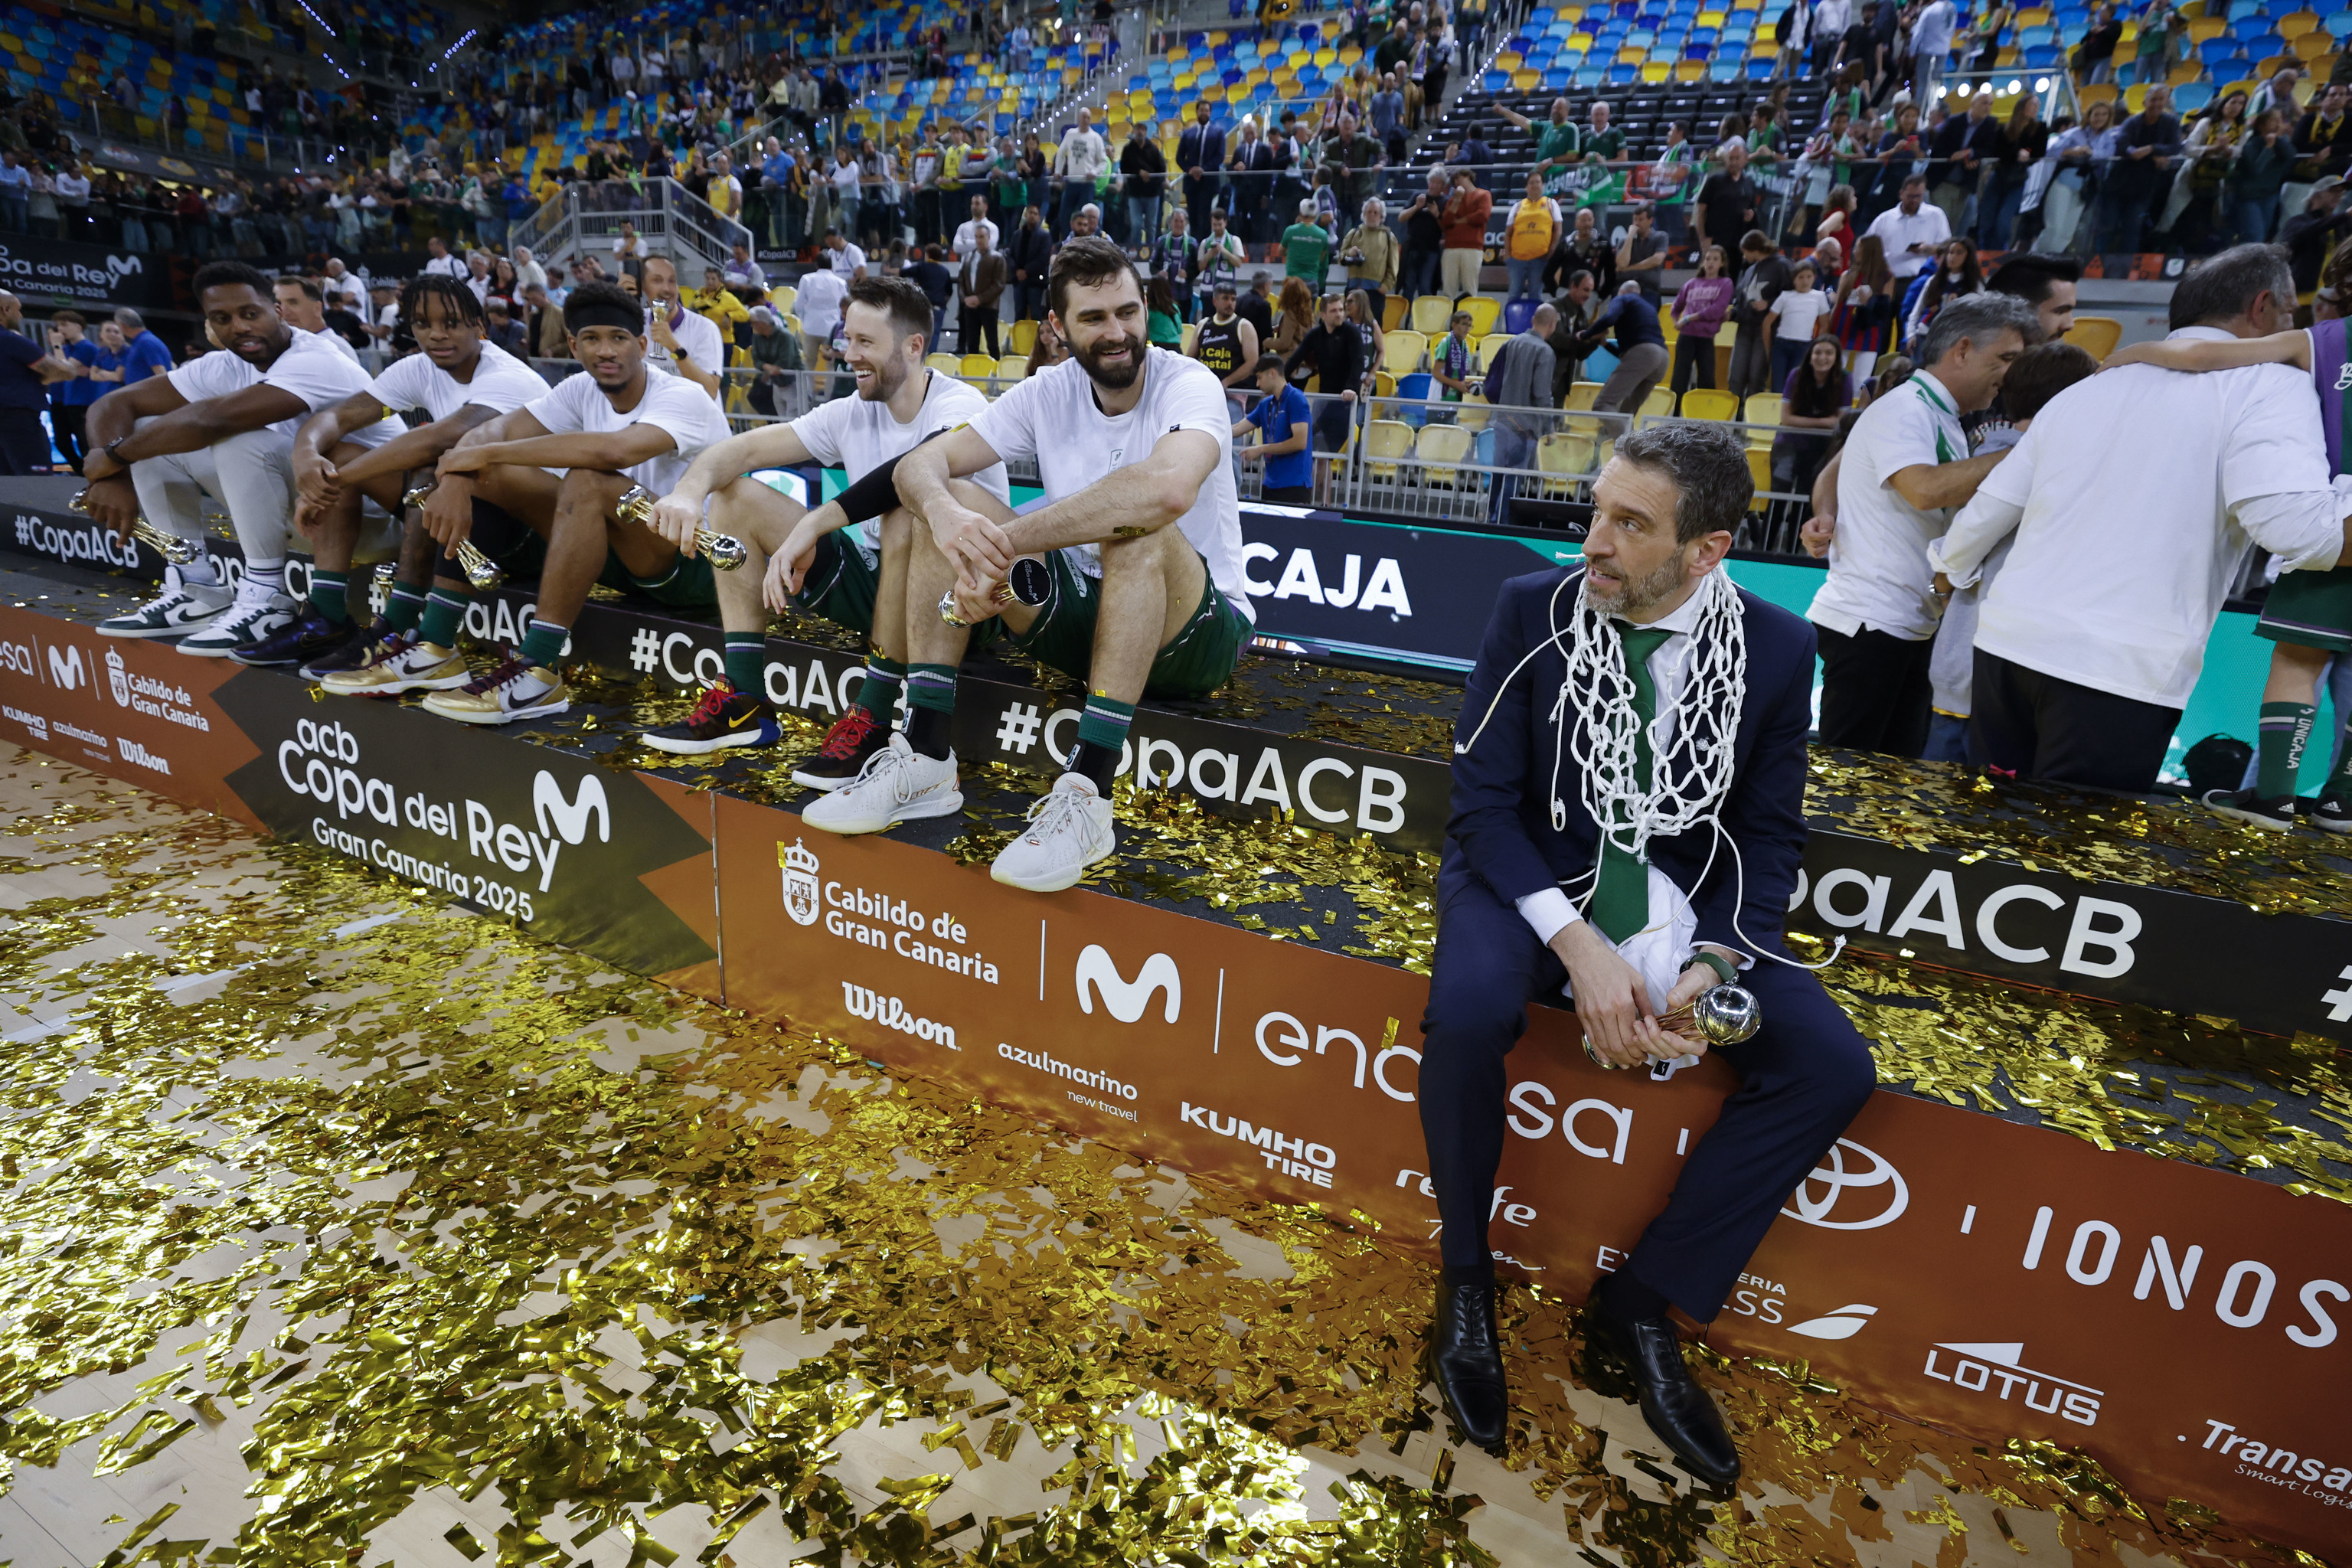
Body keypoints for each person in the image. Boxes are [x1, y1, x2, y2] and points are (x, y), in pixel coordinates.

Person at [1419, 419, 1875, 1485]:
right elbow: (1481, 808)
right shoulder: (1528, 607)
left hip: (1685, 905)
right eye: (1596, 512)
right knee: (1473, 1009)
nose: (1596, 542)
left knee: (1831, 1068)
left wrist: (1713, 966)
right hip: (1530, 877)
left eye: (1631, 525)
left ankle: (1640, 1304)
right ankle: (1465, 1279)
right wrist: (1579, 949)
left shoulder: (1777, 646)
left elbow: (1768, 839)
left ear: (1706, 551)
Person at [807, 237, 1257, 893]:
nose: (1118, 332)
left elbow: (1167, 491)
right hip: (1094, 618)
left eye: (1128, 312)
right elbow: (916, 468)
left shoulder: (1187, 382)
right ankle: (927, 754)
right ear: (1057, 327)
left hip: (1196, 633)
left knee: (1138, 527)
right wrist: (952, 518)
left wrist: (1009, 541)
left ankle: (1087, 794)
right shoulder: (1049, 390)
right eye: (1094, 319)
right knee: (936, 504)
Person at [1962, 247, 2352, 801]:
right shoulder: (2272, 383)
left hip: (2006, 645)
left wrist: (1946, 571)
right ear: (2264, 308)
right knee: (2069, 864)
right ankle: (2284, 800)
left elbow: (1993, 503)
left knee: (1983, 837)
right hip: (2117, 665)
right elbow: (2297, 531)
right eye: (2291, 312)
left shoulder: (2093, 382)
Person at [642, 275, 1014, 765]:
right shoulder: (851, 410)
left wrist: (816, 522)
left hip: (964, 597)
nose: (847, 353)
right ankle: (745, 699)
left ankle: (877, 715)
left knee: (909, 509)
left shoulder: (959, 404)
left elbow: (908, 476)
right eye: (846, 338)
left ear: (913, 347)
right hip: (879, 583)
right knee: (734, 495)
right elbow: (743, 448)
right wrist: (689, 493)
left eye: (864, 342)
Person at [413, 280, 733, 724]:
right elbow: (495, 432)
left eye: (619, 338)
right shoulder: (578, 388)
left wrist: (476, 456)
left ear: (641, 344)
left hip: (697, 562)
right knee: (489, 474)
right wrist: (456, 476)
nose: (607, 351)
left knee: (586, 479)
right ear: (572, 344)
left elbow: (614, 452)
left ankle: (539, 669)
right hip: (631, 549)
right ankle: (433, 643)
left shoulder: (683, 394)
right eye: (592, 339)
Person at [76, 262, 402, 647]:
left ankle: (268, 597)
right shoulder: (224, 365)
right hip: (306, 511)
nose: (240, 326)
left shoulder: (317, 357)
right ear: (209, 324)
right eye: (222, 318)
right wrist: (111, 472)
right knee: (149, 433)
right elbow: (115, 404)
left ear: (277, 311)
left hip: (374, 520)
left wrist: (111, 460)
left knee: (237, 439)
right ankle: (195, 587)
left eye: (250, 314)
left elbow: (212, 420)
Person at [280, 276, 557, 681]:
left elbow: (440, 438)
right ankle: (327, 614)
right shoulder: (417, 368)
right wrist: (306, 455)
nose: (437, 335)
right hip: (463, 516)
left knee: (443, 464)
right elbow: (338, 417)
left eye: (451, 323)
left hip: (532, 533)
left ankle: (407, 627)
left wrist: (330, 485)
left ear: (479, 327)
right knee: (340, 451)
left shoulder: (510, 377)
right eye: (423, 324)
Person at [1806, 292, 2037, 756]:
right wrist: (2027, 455)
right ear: (1964, 349)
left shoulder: (1939, 416)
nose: (2011, 374)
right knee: (1848, 780)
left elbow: (1836, 467)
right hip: (1871, 622)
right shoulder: (1905, 408)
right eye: (2005, 358)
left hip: (1905, 622)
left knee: (1887, 783)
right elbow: (1924, 489)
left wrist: (1825, 510)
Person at [1918, 339, 2100, 763]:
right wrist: (1943, 580)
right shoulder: (2012, 454)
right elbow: (1969, 536)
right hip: (1985, 665)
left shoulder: (2059, 455)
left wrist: (1943, 582)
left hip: (1988, 663)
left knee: (1945, 805)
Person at [1487, 303, 1559, 522]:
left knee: (1498, 474)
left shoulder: (1511, 342)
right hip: (1524, 428)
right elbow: (1542, 394)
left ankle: (1490, 519)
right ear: (1552, 325)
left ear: (1532, 321)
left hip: (1501, 420)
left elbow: (1492, 380)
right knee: (1514, 477)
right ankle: (1503, 525)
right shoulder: (1545, 351)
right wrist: (1550, 428)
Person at [1285, 292, 1368, 456]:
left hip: (1345, 400)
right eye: (1334, 311)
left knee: (1325, 450)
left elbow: (1358, 362)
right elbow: (1295, 359)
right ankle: (1317, 483)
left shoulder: (1351, 332)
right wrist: (1280, 382)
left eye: (1341, 310)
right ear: (1323, 315)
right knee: (1318, 453)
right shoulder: (1315, 335)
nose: (1339, 314)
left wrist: (1351, 388)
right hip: (1324, 397)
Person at [1579, 282, 1670, 414]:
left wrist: (1585, 335)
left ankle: (1623, 435)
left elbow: (1609, 318)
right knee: (1627, 412)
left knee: (1603, 404)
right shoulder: (1648, 308)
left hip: (1645, 354)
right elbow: (1630, 356)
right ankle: (1628, 435)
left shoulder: (1623, 299)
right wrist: (1605, 344)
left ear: (1621, 292)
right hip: (1663, 358)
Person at [1234, 353, 1315, 502]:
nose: (1257, 384)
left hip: (1294, 485)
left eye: (1259, 378)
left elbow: (1299, 442)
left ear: (1272, 373)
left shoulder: (1296, 399)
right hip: (1270, 485)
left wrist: (1262, 449)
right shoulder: (1266, 404)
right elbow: (1238, 428)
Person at [639, 255, 724, 398]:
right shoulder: (634, 323)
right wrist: (618, 297)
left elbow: (710, 391)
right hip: (653, 417)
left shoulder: (705, 328)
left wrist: (674, 347)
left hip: (694, 419)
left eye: (672, 281)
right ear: (642, 286)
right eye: (657, 281)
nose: (667, 289)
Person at [1727, 231, 1793, 400]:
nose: (1744, 256)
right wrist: (1733, 313)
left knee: (1757, 376)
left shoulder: (1782, 265)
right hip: (1745, 327)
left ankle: (1751, 419)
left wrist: (1770, 304)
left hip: (1766, 328)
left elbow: (1792, 296)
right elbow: (1740, 298)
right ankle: (1734, 415)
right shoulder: (1750, 269)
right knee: (1736, 374)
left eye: (1745, 251)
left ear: (1754, 249)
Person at [1669, 245, 1735, 396]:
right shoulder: (1692, 283)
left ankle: (1703, 413)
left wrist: (1689, 318)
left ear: (1722, 263)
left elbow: (1716, 311)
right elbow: (1676, 307)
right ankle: (1676, 411)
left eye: (1715, 259)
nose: (1711, 263)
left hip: (1706, 337)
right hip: (1686, 336)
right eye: (1707, 259)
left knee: (1706, 377)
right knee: (1679, 377)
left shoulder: (1725, 283)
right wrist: (1675, 322)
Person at [1863, 174, 1952, 286]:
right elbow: (1865, 247)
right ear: (1901, 194)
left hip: (1923, 280)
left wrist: (1926, 248)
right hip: (1888, 280)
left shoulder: (1936, 215)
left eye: (1918, 196)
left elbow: (1947, 248)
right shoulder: (1885, 219)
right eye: (1910, 196)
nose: (1914, 200)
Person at [45, 310, 100, 473]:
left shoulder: (86, 347)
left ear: (78, 326)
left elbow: (64, 368)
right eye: (59, 325)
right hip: (65, 400)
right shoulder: (67, 348)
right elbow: (56, 371)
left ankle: (93, 474)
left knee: (85, 442)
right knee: (61, 442)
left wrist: (57, 347)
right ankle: (81, 471)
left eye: (64, 324)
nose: (60, 329)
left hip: (83, 400)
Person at [1191, 280, 1261, 405]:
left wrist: (1226, 382)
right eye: (1225, 298)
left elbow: (1252, 363)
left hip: (1233, 393)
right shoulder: (1203, 325)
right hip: (1206, 391)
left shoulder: (1244, 326)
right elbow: (1190, 360)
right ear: (1215, 301)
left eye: (1233, 299)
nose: (1230, 303)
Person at [1341, 198, 1400, 323]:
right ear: (1363, 214)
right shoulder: (1354, 233)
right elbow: (1341, 257)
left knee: (1373, 329)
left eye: (1375, 212)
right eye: (1369, 212)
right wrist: (1349, 253)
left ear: (1382, 216)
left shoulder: (1389, 237)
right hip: (1353, 288)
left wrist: (1384, 287)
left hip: (1375, 291)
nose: (1372, 215)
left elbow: (1393, 267)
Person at [1178, 101, 1227, 240]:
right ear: (1197, 112)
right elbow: (1179, 157)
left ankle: (1205, 246)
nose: (1204, 113)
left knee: (1205, 216)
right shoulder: (1188, 133)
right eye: (1201, 110)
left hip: (1208, 181)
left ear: (1210, 113)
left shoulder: (1218, 132)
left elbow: (1220, 156)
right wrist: (1191, 170)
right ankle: (1194, 247)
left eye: (1206, 110)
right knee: (1193, 216)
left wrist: (1202, 170)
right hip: (1191, 182)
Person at [1439, 168, 1491, 300]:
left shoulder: (1483, 194)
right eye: (1454, 180)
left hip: (1472, 247)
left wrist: (1460, 220)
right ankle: (1448, 320)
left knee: (1470, 290)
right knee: (1448, 290)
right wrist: (1457, 200)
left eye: (1458, 178)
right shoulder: (1452, 201)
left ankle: (1468, 320)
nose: (1456, 182)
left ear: (1468, 176)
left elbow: (1482, 216)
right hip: (1451, 247)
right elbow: (1446, 222)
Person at [959, 223, 1009, 357]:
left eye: (981, 237)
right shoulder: (968, 257)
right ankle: (972, 373)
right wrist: (965, 299)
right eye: (976, 237)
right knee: (972, 344)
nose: (979, 240)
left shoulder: (997, 258)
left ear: (988, 237)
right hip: (970, 306)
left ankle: (995, 373)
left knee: (992, 343)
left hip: (989, 306)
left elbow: (999, 284)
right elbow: (961, 282)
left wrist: (979, 299)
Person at [113, 309, 175, 384]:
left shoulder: (146, 342)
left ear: (123, 326)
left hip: (151, 395)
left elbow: (161, 375)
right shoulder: (140, 342)